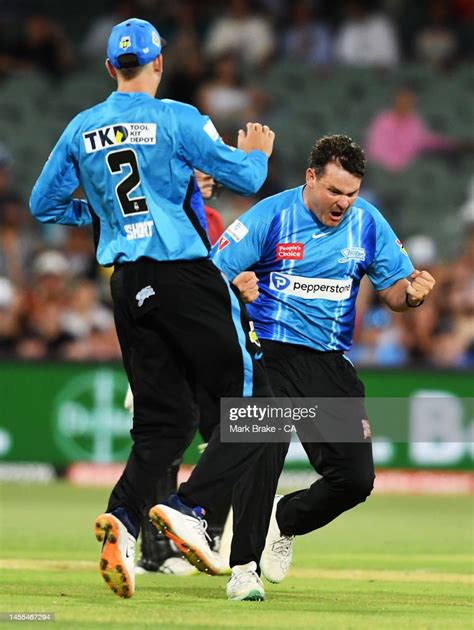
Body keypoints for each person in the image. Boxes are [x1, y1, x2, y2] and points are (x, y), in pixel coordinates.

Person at [29, 17, 278, 601]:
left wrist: (105, 217)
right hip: (181, 274)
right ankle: (190, 509)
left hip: (127, 284)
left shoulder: (82, 126)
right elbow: (242, 175)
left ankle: (123, 518)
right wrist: (259, 154)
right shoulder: (176, 118)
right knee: (259, 408)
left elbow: (44, 204)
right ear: (159, 62)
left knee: (164, 425)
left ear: (110, 67)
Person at [211, 134, 436, 584]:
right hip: (267, 351)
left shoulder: (367, 222)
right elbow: (213, 274)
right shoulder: (271, 215)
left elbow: (393, 290)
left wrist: (411, 297)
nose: (343, 203)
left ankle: (286, 520)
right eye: (334, 191)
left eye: (351, 194)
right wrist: (237, 286)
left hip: (328, 360)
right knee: (263, 452)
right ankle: (243, 568)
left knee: (355, 480)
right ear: (310, 177)